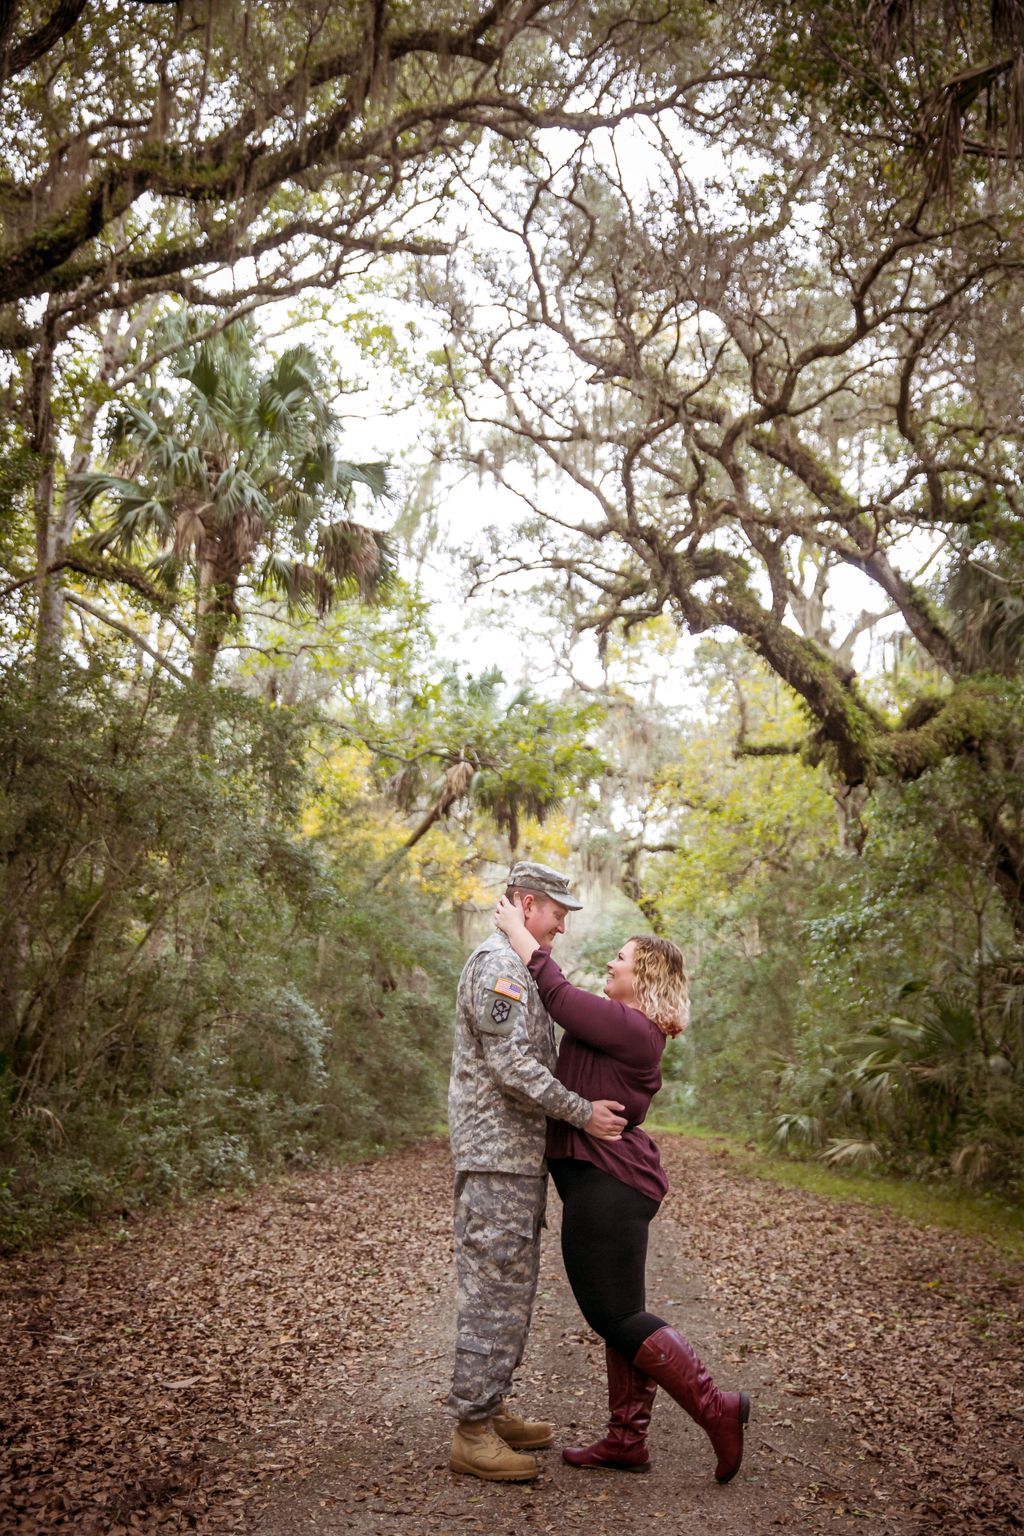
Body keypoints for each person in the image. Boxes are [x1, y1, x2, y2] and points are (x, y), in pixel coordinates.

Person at [493, 893, 750, 1483]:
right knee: (623, 1313)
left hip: (608, 1184)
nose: (610, 964)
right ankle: (627, 1440)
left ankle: (717, 1408)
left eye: (620, 958)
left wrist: (517, 929)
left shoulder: (633, 1027)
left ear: (645, 977)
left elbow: (557, 995)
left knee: (611, 1314)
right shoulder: (628, 1026)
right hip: (611, 1183)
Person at [447, 860, 628, 1484]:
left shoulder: (519, 965)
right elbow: (513, 1069)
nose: (562, 925)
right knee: (493, 1291)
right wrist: (583, 1114)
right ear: (526, 904)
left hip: (515, 1159)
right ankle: (470, 1430)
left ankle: (489, 1407)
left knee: (512, 1289)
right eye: (557, 912)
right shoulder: (497, 967)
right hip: (496, 1157)